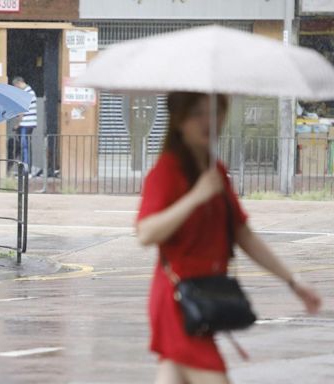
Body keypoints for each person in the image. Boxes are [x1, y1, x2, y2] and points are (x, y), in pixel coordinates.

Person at [135, 92, 321, 384]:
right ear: (179, 120)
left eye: (216, 112)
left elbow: (243, 234)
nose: (210, 122)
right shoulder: (167, 172)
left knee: (172, 373)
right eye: (198, 114)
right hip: (178, 300)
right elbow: (146, 233)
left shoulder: (215, 170)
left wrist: (292, 281)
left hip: (202, 294)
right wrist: (195, 197)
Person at [12, 76, 37, 174]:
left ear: (19, 83)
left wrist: (17, 124)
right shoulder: (30, 91)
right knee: (25, 146)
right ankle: (26, 169)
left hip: (26, 124)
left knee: (24, 147)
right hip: (30, 123)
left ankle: (26, 171)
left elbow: (22, 111)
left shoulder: (26, 93)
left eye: (15, 86)